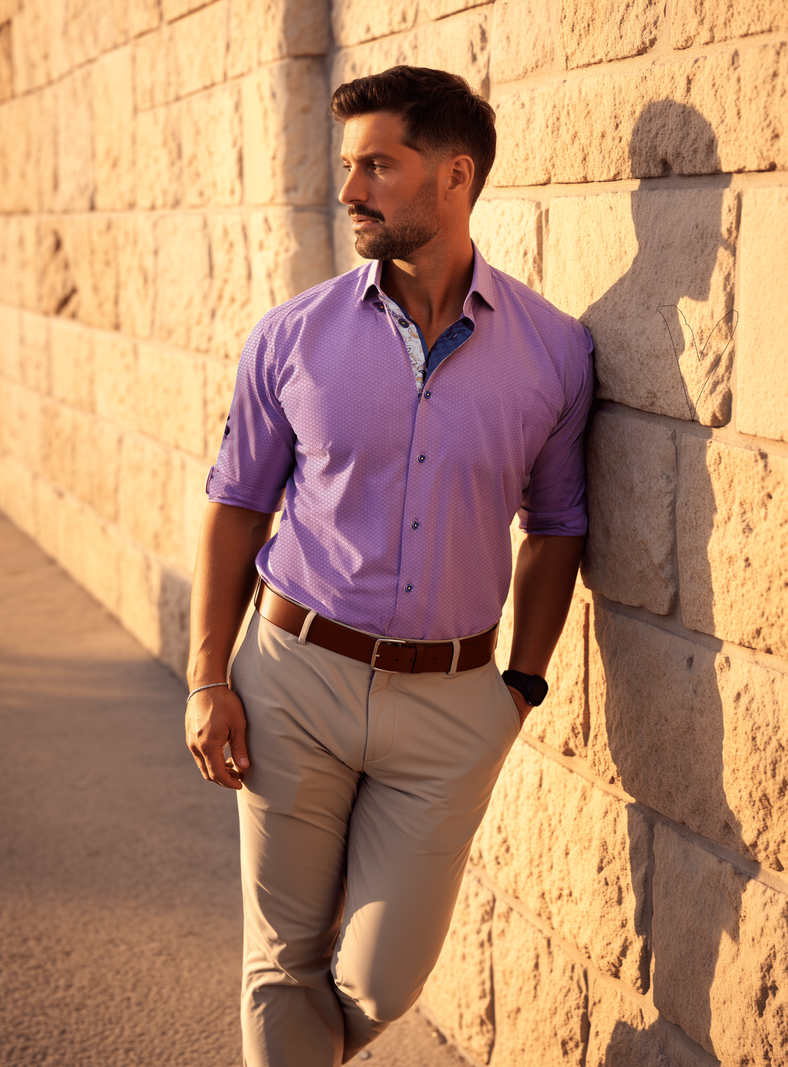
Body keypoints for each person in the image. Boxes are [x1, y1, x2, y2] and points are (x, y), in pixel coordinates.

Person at [185, 65, 593, 1067]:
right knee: (283, 959)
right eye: (347, 164)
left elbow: (556, 526)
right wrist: (207, 677)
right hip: (294, 679)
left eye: (377, 165)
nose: (350, 189)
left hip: (452, 705)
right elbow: (236, 508)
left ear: (455, 177)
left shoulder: (553, 351)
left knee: (380, 979)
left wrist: (521, 688)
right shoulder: (292, 336)